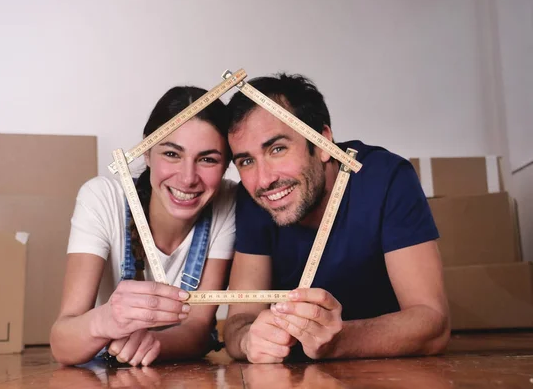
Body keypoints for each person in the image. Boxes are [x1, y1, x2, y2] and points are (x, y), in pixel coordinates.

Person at [223, 73, 450, 363]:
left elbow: (433, 323)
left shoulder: (387, 177)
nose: (264, 180)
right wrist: (247, 340)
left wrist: (338, 340)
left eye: (277, 149)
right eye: (246, 161)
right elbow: (239, 319)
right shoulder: (252, 197)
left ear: (322, 143)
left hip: (390, 373)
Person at [50, 86, 236, 366]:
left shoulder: (228, 202)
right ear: (146, 153)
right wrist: (105, 320)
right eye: (172, 154)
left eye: (208, 159)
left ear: (226, 167)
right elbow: (63, 343)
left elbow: (198, 329)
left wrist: (151, 343)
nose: (187, 179)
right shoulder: (102, 198)